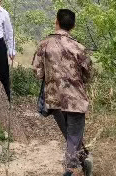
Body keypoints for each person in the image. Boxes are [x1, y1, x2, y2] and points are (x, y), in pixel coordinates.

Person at [32, 9, 93, 176]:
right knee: (73, 136)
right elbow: (88, 75)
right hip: (75, 100)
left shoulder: (44, 44)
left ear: (56, 21)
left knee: (70, 136)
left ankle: (84, 161)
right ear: (72, 26)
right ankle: (71, 170)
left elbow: (38, 72)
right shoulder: (79, 47)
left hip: (54, 99)